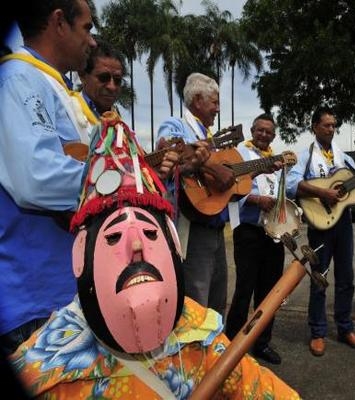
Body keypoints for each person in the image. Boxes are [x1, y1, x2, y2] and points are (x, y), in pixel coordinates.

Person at [8, 114, 300, 399]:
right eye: (112, 237)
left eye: (150, 234)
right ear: (80, 254)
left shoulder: (200, 332)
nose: (135, 243)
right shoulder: (41, 372)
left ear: (172, 240)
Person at [0, 0, 97, 355]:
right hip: (32, 297)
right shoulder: (19, 80)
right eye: (86, 28)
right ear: (59, 22)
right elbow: (35, 177)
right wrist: (111, 180)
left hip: (56, 289)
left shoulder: (47, 84)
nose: (92, 41)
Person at [287, 106, 355, 356]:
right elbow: (291, 185)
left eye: (334, 125)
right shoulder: (306, 155)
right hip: (319, 224)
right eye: (326, 125)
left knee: (346, 278)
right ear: (314, 127)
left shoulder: (345, 158)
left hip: (343, 224)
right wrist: (323, 192)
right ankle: (318, 332)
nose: (331, 129)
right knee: (319, 278)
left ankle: (345, 328)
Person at [156, 72, 235, 317]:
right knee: (196, 300)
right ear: (198, 100)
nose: (218, 109)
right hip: (193, 227)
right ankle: (195, 353)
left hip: (216, 226)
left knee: (218, 298)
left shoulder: (210, 137)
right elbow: (167, 150)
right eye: (215, 102)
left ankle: (215, 352)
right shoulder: (176, 126)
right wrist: (204, 165)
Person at [225, 113, 285, 365]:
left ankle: (261, 343)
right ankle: (230, 344)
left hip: (273, 234)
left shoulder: (277, 161)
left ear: (273, 135)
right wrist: (257, 199)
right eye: (259, 130)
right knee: (244, 289)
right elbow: (232, 189)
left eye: (268, 132)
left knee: (269, 293)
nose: (263, 135)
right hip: (248, 231)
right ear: (251, 130)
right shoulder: (240, 156)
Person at [78, 36, 126, 119]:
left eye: (117, 80)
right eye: (103, 78)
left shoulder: (121, 128)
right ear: (83, 76)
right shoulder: (65, 113)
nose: (112, 87)